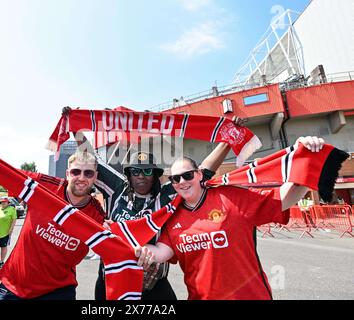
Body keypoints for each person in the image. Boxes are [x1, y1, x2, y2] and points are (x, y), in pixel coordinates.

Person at [69, 110, 244, 300]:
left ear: (155, 175)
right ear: (129, 174)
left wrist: (229, 139)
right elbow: (91, 158)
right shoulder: (116, 189)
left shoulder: (166, 195)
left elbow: (203, 171)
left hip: (152, 285)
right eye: (135, 171)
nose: (141, 176)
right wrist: (75, 126)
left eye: (147, 172)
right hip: (112, 280)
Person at [135, 136, 325, 300]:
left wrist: (305, 156)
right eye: (176, 179)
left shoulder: (232, 197)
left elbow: (286, 197)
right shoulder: (172, 216)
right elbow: (160, 252)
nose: (182, 182)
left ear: (200, 174)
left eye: (187, 175)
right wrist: (122, 243)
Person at [0, 151, 106, 300]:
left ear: (95, 177)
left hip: (58, 291)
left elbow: (118, 246)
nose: (82, 178)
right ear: (68, 173)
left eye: (88, 173)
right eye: (76, 172)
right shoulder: (43, 186)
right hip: (14, 285)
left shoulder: (98, 216)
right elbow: (0, 170)